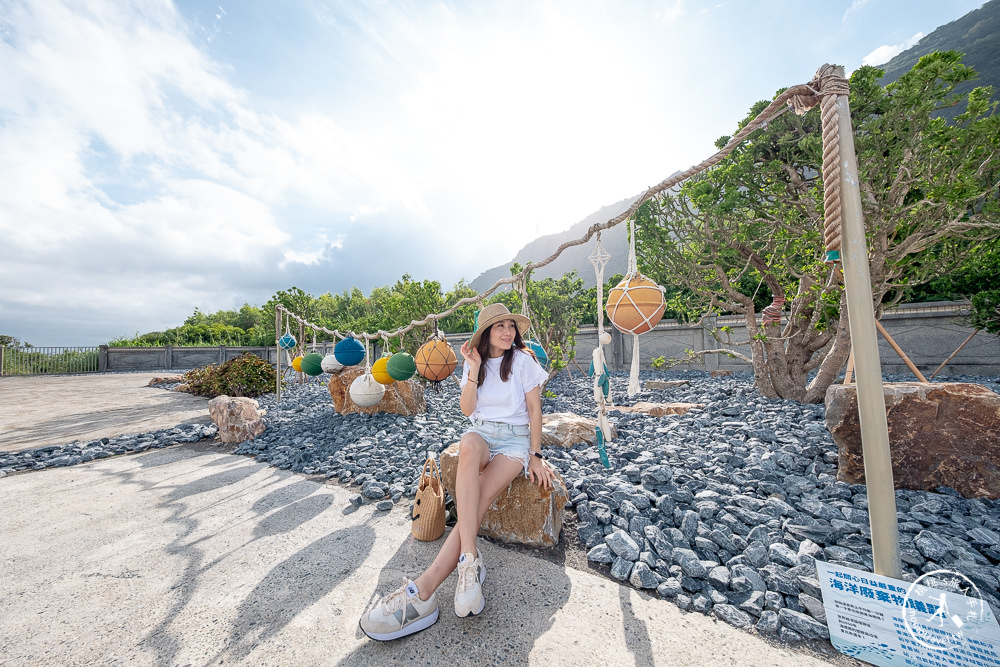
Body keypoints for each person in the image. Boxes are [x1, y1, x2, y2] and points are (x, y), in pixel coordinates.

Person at [359, 303, 554, 641]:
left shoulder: (523, 361)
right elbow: (467, 410)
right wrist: (474, 368)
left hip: (513, 442)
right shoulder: (473, 363)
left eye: (511, 326)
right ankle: (469, 561)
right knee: (467, 444)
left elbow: (535, 410)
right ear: (485, 334)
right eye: (499, 327)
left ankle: (423, 592)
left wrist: (536, 455)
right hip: (481, 433)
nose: (508, 332)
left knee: (472, 507)